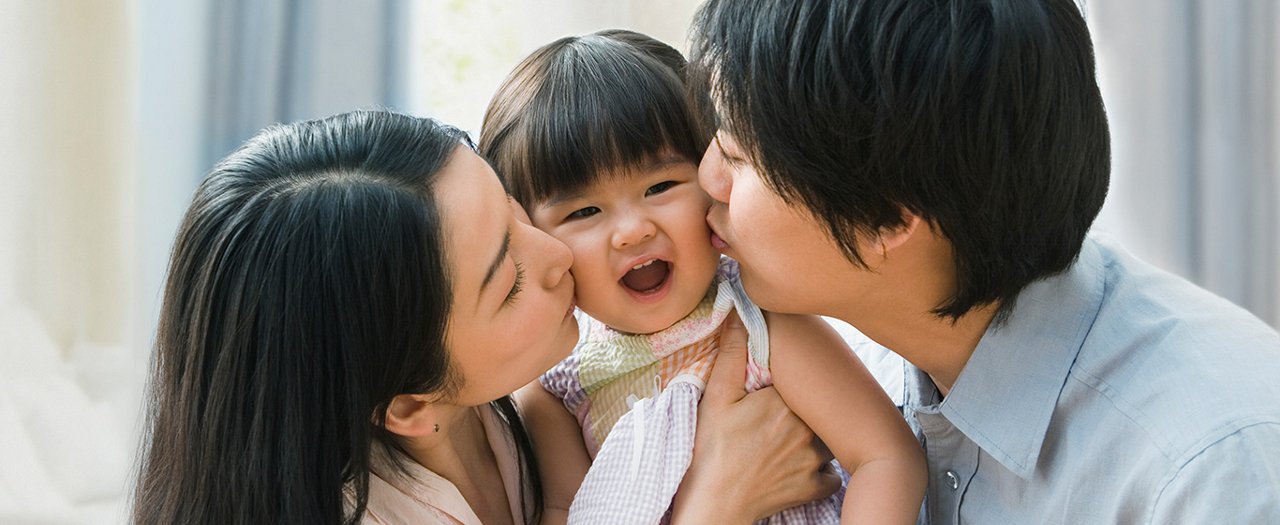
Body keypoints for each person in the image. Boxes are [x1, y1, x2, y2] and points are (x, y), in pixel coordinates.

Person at [686, 0, 1280, 523]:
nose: (706, 178)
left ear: (888, 221)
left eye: (737, 155)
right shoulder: (833, 367)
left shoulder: (1211, 475)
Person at [131, 109, 838, 524]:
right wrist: (715, 499)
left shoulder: (530, 405)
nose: (558, 253)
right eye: (509, 280)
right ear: (410, 404)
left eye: (513, 210)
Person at [480, 30, 925, 524]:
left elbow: (885, 457)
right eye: (584, 211)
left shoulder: (758, 320)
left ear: (714, 178)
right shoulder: (556, 386)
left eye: (661, 185)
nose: (632, 231)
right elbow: (567, 512)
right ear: (535, 241)